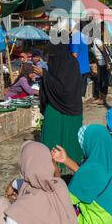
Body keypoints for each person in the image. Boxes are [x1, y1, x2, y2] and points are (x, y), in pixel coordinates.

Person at [52, 124, 112, 224]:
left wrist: (56, 171)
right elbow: (89, 178)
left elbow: (62, 200)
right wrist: (66, 160)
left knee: (53, 211)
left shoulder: (90, 170)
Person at [38, 42, 83, 172]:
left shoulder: (71, 64)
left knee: (70, 142)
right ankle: (52, 168)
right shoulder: (60, 62)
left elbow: (65, 90)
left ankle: (70, 167)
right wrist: (45, 75)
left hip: (70, 107)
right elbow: (54, 83)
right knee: (52, 140)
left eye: (51, 56)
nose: (49, 60)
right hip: (55, 106)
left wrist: (44, 75)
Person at [91, 23, 112, 105]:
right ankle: (101, 98)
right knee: (101, 80)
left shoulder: (97, 40)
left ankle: (102, 99)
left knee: (103, 81)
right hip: (100, 63)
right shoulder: (92, 41)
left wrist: (107, 63)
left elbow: (104, 53)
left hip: (104, 63)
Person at [69, 22, 90, 98]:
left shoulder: (75, 37)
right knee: (81, 93)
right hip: (85, 68)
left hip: (78, 69)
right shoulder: (84, 37)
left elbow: (75, 54)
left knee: (76, 92)